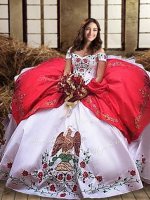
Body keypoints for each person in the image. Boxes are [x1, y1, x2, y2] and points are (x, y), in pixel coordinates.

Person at [0, 18, 150, 199]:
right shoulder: (72, 51)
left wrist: (83, 90)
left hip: (90, 89)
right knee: (40, 118)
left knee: (98, 126)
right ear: (83, 31)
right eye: (88, 30)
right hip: (71, 88)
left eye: (95, 30)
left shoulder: (99, 52)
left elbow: (99, 79)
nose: (91, 33)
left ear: (98, 33)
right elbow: (66, 73)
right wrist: (68, 86)